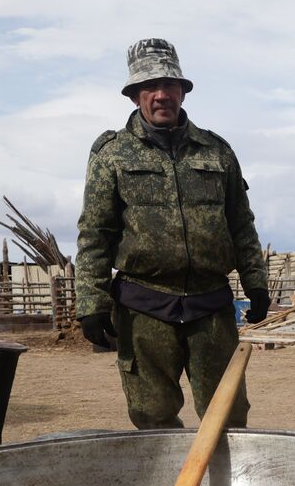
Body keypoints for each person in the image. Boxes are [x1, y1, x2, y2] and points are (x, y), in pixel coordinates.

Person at [74, 38, 270, 429]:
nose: (162, 95)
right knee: (152, 416)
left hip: (210, 306)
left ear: (182, 91)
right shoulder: (112, 154)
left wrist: (257, 284)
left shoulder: (216, 152)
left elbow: (241, 224)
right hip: (143, 307)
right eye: (150, 87)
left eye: (170, 85)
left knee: (228, 416)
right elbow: (95, 232)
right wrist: (90, 302)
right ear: (134, 96)